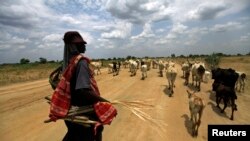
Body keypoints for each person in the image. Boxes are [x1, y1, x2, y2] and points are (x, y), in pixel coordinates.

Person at [48, 31, 117, 141]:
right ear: (73, 46)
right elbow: (83, 90)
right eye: (81, 43)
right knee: (93, 132)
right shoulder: (81, 62)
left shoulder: (68, 63)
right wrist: (106, 102)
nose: (84, 45)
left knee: (73, 134)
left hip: (71, 110)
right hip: (84, 111)